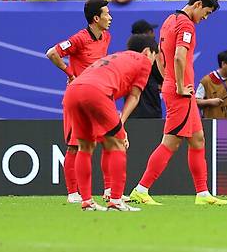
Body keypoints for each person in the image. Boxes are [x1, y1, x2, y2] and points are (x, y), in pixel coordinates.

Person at [129, 0, 227, 206]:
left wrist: (168, 79)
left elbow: (160, 58)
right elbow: (179, 56)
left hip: (176, 88)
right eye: (207, 12)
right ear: (197, 4)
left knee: (198, 139)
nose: (206, 17)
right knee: (171, 142)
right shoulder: (186, 25)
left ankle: (202, 194)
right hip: (180, 92)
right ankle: (141, 189)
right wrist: (180, 86)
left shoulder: (169, 20)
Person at [63, 33, 157, 212]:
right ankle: (115, 200)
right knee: (117, 143)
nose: (154, 62)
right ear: (147, 52)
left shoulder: (117, 57)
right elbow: (135, 96)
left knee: (85, 147)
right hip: (95, 92)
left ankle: (87, 201)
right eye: (155, 56)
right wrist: (121, 123)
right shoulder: (143, 61)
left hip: (73, 91)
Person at [45, 0, 112, 204]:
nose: (110, 18)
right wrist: (70, 73)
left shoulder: (106, 37)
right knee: (75, 146)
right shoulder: (79, 39)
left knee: (110, 141)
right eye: (106, 14)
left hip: (98, 98)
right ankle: (73, 194)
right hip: (78, 99)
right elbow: (52, 53)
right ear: (96, 18)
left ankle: (110, 191)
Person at [129, 20, 163, 119]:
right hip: (150, 105)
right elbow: (160, 74)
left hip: (132, 108)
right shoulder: (152, 51)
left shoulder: (130, 50)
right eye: (151, 31)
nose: (153, 34)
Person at [196, 50, 227, 119]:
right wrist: (209, 102)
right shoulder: (206, 81)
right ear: (224, 64)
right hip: (212, 125)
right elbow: (195, 101)